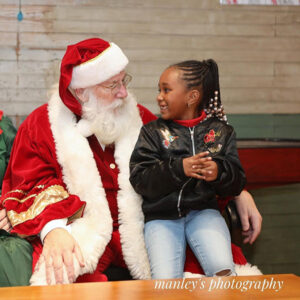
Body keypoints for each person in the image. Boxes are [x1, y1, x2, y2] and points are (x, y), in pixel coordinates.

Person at [0, 38, 261, 286]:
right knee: (60, 276)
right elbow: (33, 181)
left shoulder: (142, 120)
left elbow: (189, 160)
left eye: (123, 81)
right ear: (81, 91)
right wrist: (53, 230)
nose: (124, 93)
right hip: (83, 232)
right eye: (112, 85)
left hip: (146, 226)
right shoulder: (41, 125)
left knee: (207, 275)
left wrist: (238, 191)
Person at [129, 59, 253, 279]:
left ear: (192, 97)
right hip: (161, 216)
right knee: (165, 281)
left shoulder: (222, 132)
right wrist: (179, 169)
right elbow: (140, 179)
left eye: (166, 90)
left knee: (223, 271)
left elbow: (237, 182)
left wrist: (218, 172)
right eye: (159, 90)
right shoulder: (152, 132)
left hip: (204, 212)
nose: (159, 97)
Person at [0, 111, 33, 287]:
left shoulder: (4, 129)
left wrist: (10, 206)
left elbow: (21, 179)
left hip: (4, 229)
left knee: (16, 255)